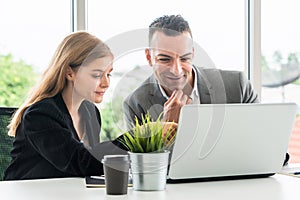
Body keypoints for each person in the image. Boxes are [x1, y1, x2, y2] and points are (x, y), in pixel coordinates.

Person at [4, 31, 126, 180]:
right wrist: (136, 140)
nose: (106, 83)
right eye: (96, 75)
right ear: (69, 73)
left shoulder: (90, 111)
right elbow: (80, 162)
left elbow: (93, 164)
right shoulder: (40, 115)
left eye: (108, 74)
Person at [123, 14, 259, 127]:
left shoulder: (237, 87)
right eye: (165, 59)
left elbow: (263, 136)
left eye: (184, 59)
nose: (176, 70)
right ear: (149, 57)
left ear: (192, 54)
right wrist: (169, 126)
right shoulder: (136, 105)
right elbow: (143, 159)